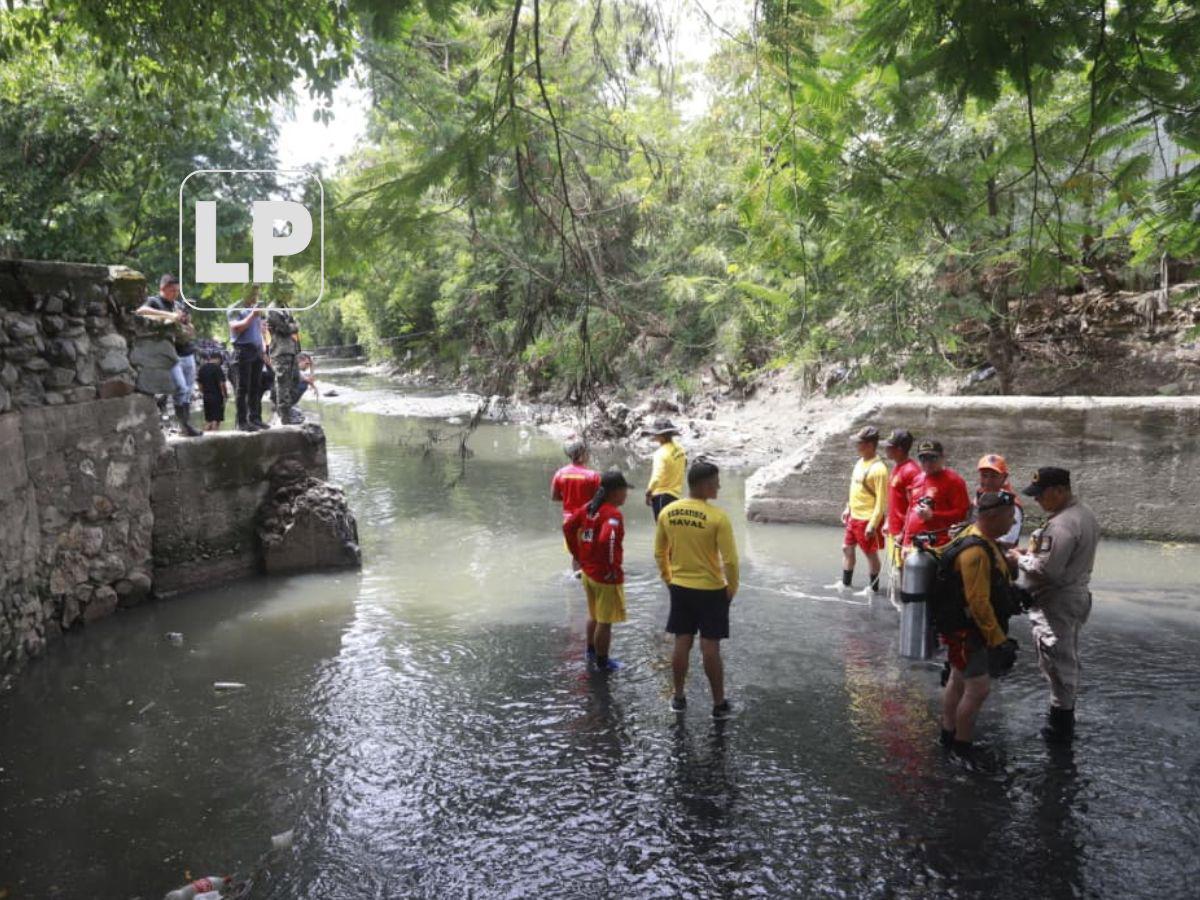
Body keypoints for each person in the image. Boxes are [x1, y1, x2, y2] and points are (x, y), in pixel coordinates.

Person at [1008, 467, 1100, 744]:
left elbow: (1048, 571)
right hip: (1074, 595)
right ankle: (1062, 717)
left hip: (1057, 600)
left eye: (1042, 494)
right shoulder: (1083, 515)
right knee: (1062, 657)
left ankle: (1060, 727)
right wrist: (1031, 554)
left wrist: (1019, 559)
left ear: (1060, 490)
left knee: (1058, 660)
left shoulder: (1062, 524)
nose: (1038, 500)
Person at [934, 491, 1022, 767]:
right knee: (978, 689)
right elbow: (979, 602)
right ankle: (963, 746)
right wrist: (998, 640)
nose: (1013, 524)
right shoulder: (975, 551)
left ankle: (948, 734)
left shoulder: (982, 540)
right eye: (1010, 517)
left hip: (963, 630)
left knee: (958, 680)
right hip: (970, 632)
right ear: (993, 516)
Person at [654, 460, 739, 719]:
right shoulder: (717, 517)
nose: (719, 486)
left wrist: (669, 579)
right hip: (711, 589)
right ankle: (718, 704)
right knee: (710, 647)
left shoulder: (668, 512)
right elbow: (731, 560)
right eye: (715, 482)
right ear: (703, 485)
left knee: (682, 641)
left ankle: (678, 698)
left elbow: (659, 552)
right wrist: (731, 589)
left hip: (680, 587)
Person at [563, 469, 631, 671]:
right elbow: (607, 538)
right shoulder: (613, 514)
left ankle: (591, 651)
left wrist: (577, 554)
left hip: (589, 572)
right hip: (604, 576)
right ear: (615, 492)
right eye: (625, 490)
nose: (626, 494)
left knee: (593, 614)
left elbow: (568, 528)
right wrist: (611, 566)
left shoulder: (588, 508)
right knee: (605, 621)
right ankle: (603, 661)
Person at [136, 274, 200, 437]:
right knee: (180, 388)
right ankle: (182, 425)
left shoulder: (177, 304)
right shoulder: (154, 301)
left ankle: (185, 426)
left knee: (187, 391)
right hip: (169, 354)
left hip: (186, 350)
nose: (176, 294)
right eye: (172, 290)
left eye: (177, 291)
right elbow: (141, 311)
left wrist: (187, 323)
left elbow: (187, 327)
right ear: (162, 289)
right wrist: (170, 316)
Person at [832, 426, 888, 594]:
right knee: (847, 548)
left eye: (860, 443)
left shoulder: (879, 469)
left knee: (870, 553)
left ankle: (873, 588)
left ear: (870, 445)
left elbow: (881, 501)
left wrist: (873, 524)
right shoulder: (859, 462)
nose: (857, 446)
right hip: (854, 516)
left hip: (867, 519)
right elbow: (854, 488)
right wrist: (847, 507)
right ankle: (845, 583)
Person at [903, 440, 971, 549]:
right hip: (915, 543)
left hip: (941, 544)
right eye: (923, 458)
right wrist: (906, 542)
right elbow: (911, 511)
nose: (927, 463)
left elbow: (962, 514)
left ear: (942, 458)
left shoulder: (954, 481)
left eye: (932, 458)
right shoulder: (917, 479)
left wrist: (933, 516)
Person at [551, 441, 602, 574]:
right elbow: (600, 500)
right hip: (587, 522)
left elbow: (555, 497)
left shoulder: (560, 474)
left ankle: (576, 580)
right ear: (583, 454)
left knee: (576, 555)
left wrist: (569, 499)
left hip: (570, 523)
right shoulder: (593, 476)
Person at [226, 288, 268, 432]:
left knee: (256, 387)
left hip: (256, 352)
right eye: (253, 294)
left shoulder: (254, 309)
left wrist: (262, 349)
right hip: (242, 351)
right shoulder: (234, 309)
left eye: (257, 294)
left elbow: (259, 330)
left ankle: (255, 419)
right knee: (242, 388)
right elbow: (237, 328)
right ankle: (241, 422)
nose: (256, 297)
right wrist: (253, 314)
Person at [882, 429, 920, 571]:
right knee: (896, 567)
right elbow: (895, 499)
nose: (885, 449)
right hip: (894, 528)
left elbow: (913, 505)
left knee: (903, 569)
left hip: (903, 533)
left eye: (889, 446)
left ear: (899, 449)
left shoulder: (911, 471)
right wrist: (888, 521)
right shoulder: (897, 467)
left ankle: (903, 594)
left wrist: (903, 533)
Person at [974, 454, 1023, 549]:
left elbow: (1008, 542)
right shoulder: (981, 495)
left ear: (1004, 477)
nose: (988, 481)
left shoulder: (1011, 505)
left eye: (993, 476)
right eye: (984, 475)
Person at [267, 304, 304, 425]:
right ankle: (285, 417)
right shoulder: (273, 308)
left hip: (290, 350)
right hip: (280, 351)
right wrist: (294, 326)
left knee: (295, 380)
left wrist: (293, 326)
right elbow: (285, 328)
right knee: (283, 384)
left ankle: (287, 411)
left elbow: (291, 326)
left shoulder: (286, 307)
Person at [643, 419, 687, 521]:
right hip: (675, 497)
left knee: (662, 533)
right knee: (672, 532)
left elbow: (656, 478)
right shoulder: (680, 449)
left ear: (661, 436)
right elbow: (684, 465)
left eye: (655, 433)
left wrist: (648, 493)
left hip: (661, 497)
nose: (654, 435)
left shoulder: (660, 453)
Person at [196, 351, 228, 432]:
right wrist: (225, 396)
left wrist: (205, 393)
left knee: (208, 420)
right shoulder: (217, 368)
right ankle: (215, 440)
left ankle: (204, 438)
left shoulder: (202, 368)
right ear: (218, 359)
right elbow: (222, 384)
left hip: (206, 397)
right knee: (215, 421)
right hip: (217, 397)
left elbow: (199, 385)